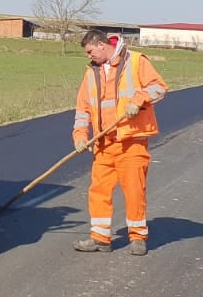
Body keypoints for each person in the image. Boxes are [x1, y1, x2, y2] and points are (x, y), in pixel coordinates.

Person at [71, 30, 166, 257]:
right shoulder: (91, 72)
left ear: (102, 45)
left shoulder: (135, 61)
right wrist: (80, 136)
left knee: (134, 190)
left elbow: (159, 86)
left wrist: (138, 100)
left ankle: (138, 237)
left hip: (130, 141)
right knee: (99, 190)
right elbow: (83, 108)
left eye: (90, 51)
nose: (89, 56)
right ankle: (100, 238)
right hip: (103, 143)